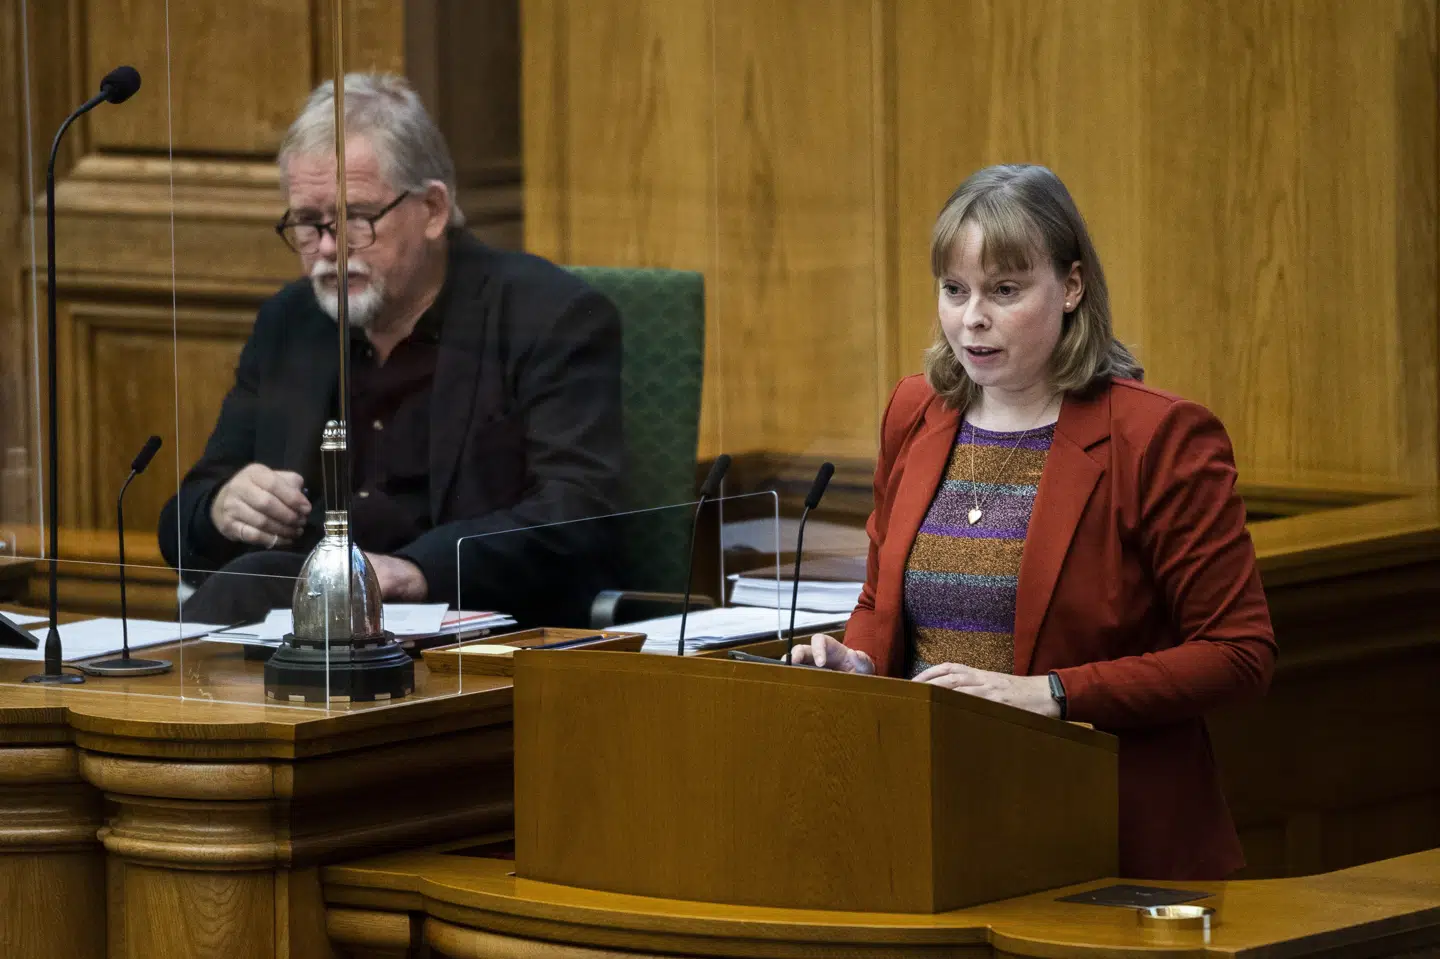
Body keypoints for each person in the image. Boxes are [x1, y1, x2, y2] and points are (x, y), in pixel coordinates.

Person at [792, 164, 1276, 881]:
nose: (971, 318)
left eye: (1005, 291)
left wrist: (1050, 693)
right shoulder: (916, 412)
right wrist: (857, 662)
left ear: (1072, 287)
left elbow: (1239, 653)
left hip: (1099, 835)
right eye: (955, 291)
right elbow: (879, 601)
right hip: (933, 825)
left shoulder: (1158, 437)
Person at [158, 74, 623, 628]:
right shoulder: (292, 322)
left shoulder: (546, 317)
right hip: (304, 633)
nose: (328, 250)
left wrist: (414, 570)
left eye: (355, 219)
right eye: (309, 224)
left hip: (471, 633)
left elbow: (579, 518)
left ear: (432, 210)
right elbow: (180, 525)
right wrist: (221, 508)